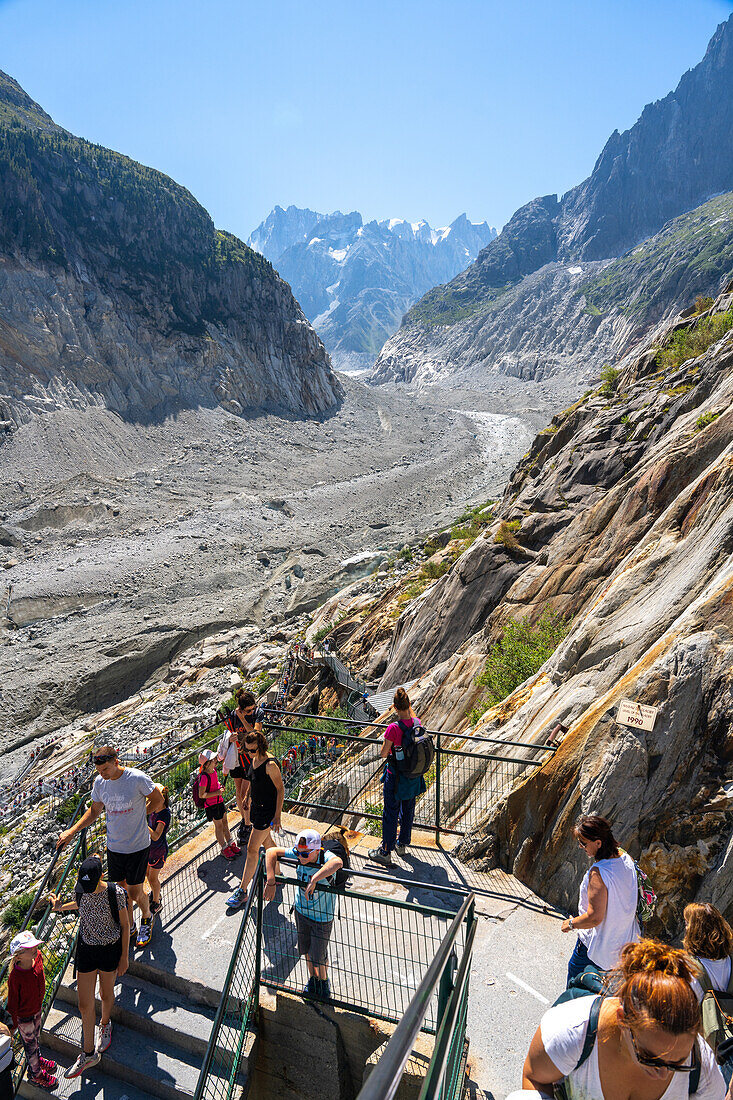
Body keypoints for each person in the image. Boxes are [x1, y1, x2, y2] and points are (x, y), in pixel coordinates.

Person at [512, 939, 725, 1100]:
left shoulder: (702, 1069)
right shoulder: (573, 1028)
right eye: (650, 1058)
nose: (662, 1075)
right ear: (623, 1019)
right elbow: (534, 1078)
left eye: (678, 1064)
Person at [56, 744, 164, 949]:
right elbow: (95, 810)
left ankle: (147, 917)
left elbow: (157, 799)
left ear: (116, 761)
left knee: (134, 891)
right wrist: (72, 831)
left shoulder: (136, 778)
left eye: (105, 769)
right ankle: (129, 925)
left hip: (137, 845)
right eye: (99, 771)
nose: (102, 774)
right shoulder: (100, 782)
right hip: (115, 846)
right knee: (121, 891)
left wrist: (142, 815)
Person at [50, 854, 130, 1079]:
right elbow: (79, 901)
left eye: (89, 884)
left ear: (101, 877)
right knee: (84, 1004)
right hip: (86, 949)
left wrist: (124, 957)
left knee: (106, 993)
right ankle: (88, 1054)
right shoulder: (83, 888)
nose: (85, 889)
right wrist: (60, 907)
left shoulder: (116, 893)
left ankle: (105, 1024)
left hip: (109, 950)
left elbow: (125, 924)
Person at [264, 829, 343, 1002]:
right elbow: (270, 852)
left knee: (319, 956)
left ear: (317, 850)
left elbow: (337, 863)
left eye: (305, 854)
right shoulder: (301, 853)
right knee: (306, 950)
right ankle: (313, 979)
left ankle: (323, 983)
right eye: (298, 853)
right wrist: (271, 880)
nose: (300, 857)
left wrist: (314, 878)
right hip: (302, 912)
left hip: (322, 918)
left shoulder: (325, 857)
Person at [561, 814, 639, 986]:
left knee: (576, 983)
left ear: (598, 843)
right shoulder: (626, 858)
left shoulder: (599, 872)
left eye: (583, 843)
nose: (581, 847)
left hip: (596, 947)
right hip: (625, 942)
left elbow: (594, 917)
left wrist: (571, 923)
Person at [226, 730, 284, 909]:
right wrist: (247, 796)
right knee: (267, 843)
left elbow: (280, 790)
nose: (250, 753)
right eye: (248, 750)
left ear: (260, 747)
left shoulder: (270, 764)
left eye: (252, 750)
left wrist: (277, 816)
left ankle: (243, 890)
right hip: (256, 809)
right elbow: (253, 780)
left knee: (252, 850)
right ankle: (278, 873)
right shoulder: (254, 759)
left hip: (266, 812)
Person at [369, 688, 426, 868]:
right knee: (408, 810)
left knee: (391, 812)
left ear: (394, 707)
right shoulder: (417, 723)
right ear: (409, 704)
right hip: (413, 775)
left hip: (396, 777)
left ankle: (385, 851)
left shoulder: (393, 728)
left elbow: (384, 753)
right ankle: (402, 844)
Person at [684, 902, 733, 1085]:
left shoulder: (693, 970)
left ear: (696, 930)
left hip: (712, 1053)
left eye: (688, 923)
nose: (686, 928)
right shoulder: (730, 959)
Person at [6, 931, 57, 1091]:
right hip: (24, 1016)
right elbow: (13, 1003)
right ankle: (36, 1075)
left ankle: (37, 1060)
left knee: (36, 1038)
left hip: (36, 1008)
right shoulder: (15, 976)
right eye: (30, 947)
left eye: (34, 944)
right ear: (19, 956)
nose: (35, 948)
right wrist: (12, 1025)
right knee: (29, 1045)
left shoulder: (38, 957)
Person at [227, 690, 264, 848]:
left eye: (252, 708)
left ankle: (248, 824)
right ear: (240, 708)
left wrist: (243, 718)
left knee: (245, 793)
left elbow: (256, 733)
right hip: (237, 757)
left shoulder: (257, 713)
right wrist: (231, 737)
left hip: (250, 758)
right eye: (248, 710)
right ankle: (245, 819)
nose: (252, 711)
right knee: (239, 791)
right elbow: (228, 733)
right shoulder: (232, 716)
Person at [198, 750, 237, 859]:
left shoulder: (213, 771)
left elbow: (214, 784)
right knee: (219, 826)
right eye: (213, 759)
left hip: (219, 801)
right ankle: (224, 848)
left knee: (225, 822)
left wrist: (219, 786)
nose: (216, 761)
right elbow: (201, 794)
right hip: (211, 805)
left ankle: (230, 843)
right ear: (207, 764)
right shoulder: (204, 777)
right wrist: (217, 792)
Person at [146, 785, 171, 916]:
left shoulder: (164, 814)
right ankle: (155, 893)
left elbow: (156, 836)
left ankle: (156, 901)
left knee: (153, 878)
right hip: (150, 849)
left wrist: (143, 824)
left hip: (158, 850)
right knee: (148, 875)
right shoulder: (154, 809)